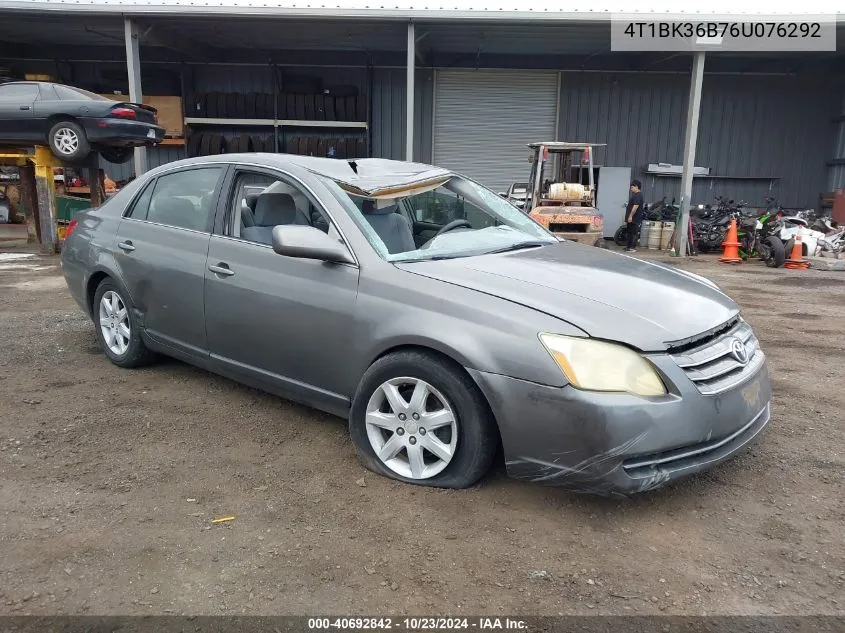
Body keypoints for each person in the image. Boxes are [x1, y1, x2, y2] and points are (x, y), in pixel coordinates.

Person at [625, 180, 644, 252]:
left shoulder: (638, 195)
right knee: (629, 232)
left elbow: (635, 206)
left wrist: (630, 216)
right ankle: (628, 247)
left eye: (632, 187)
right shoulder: (635, 195)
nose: (631, 188)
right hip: (632, 218)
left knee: (633, 232)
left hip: (634, 218)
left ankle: (632, 247)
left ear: (636, 186)